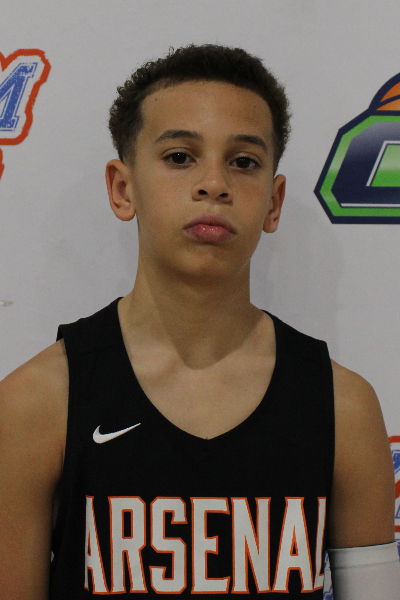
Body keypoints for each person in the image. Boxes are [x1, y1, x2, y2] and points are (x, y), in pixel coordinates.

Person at [0, 43, 398, 599]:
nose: (214, 184)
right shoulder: (36, 403)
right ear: (122, 188)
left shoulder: (344, 407)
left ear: (274, 202)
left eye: (244, 162)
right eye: (180, 156)